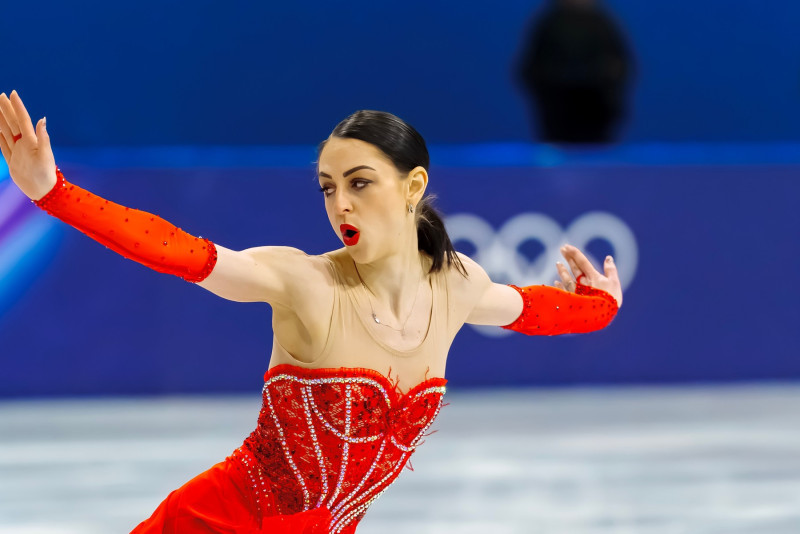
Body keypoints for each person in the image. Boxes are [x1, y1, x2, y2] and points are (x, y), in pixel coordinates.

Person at [0, 89, 622, 533]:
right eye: (328, 188)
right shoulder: (303, 280)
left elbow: (538, 310)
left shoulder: (456, 285)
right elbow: (178, 251)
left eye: (359, 182)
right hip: (222, 523)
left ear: (412, 186)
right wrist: (54, 193)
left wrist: (601, 304)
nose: (340, 205)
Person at [516, 0, 633, 144]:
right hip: (558, 108)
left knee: (594, 153)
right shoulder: (550, 23)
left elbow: (621, 65)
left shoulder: (602, 24)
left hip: (595, 108)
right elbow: (530, 68)